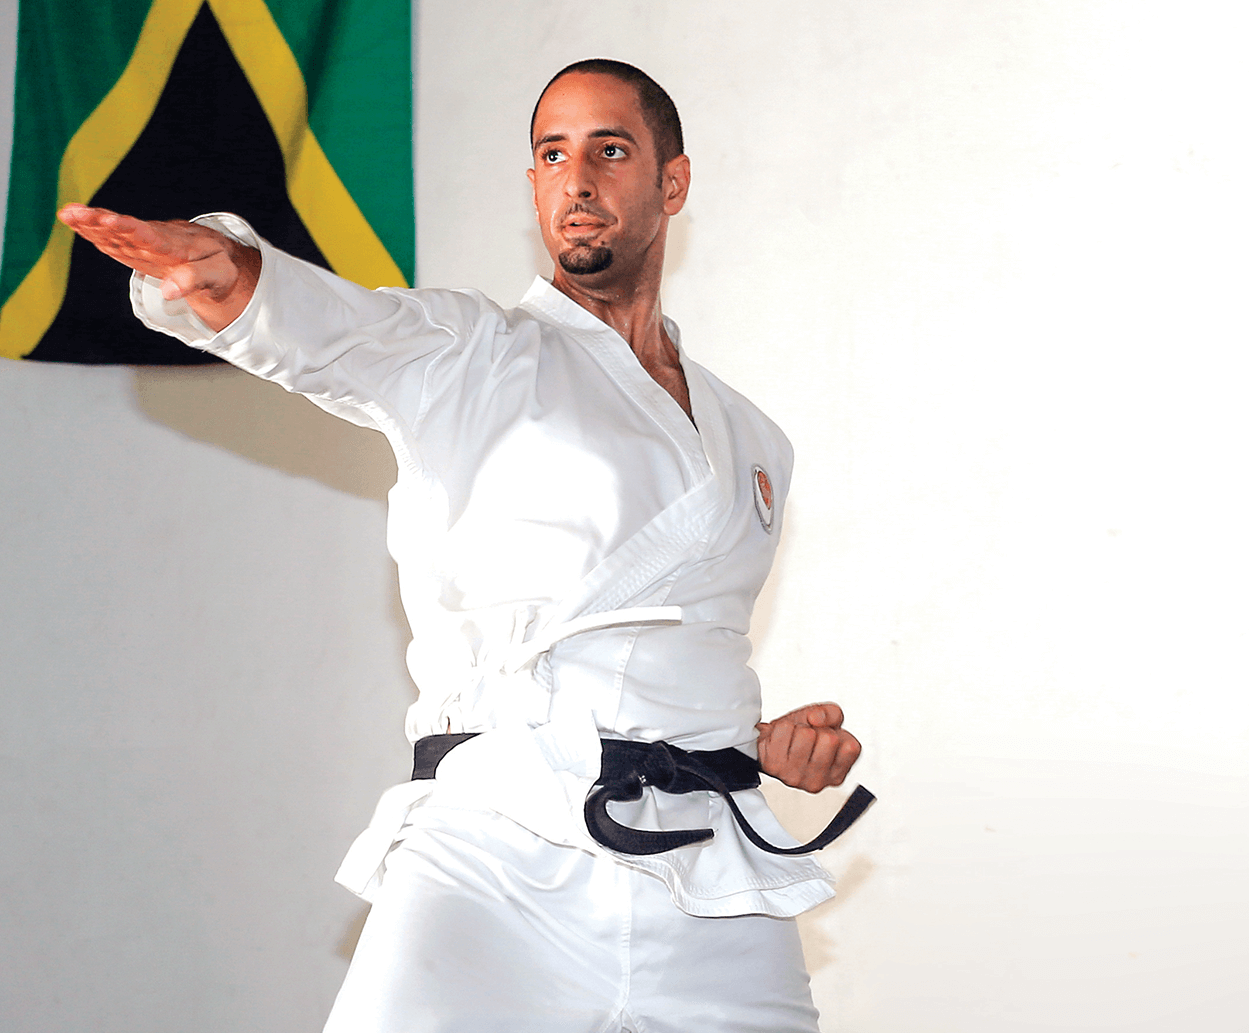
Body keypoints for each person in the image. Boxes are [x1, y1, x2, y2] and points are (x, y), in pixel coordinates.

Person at [60, 58, 869, 1033]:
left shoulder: (755, 442)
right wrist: (231, 272)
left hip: (708, 874)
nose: (576, 180)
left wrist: (763, 742)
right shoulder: (472, 353)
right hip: (500, 845)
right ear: (531, 185)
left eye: (610, 151)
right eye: (551, 154)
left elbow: (674, 651)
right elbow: (337, 330)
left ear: (672, 183)